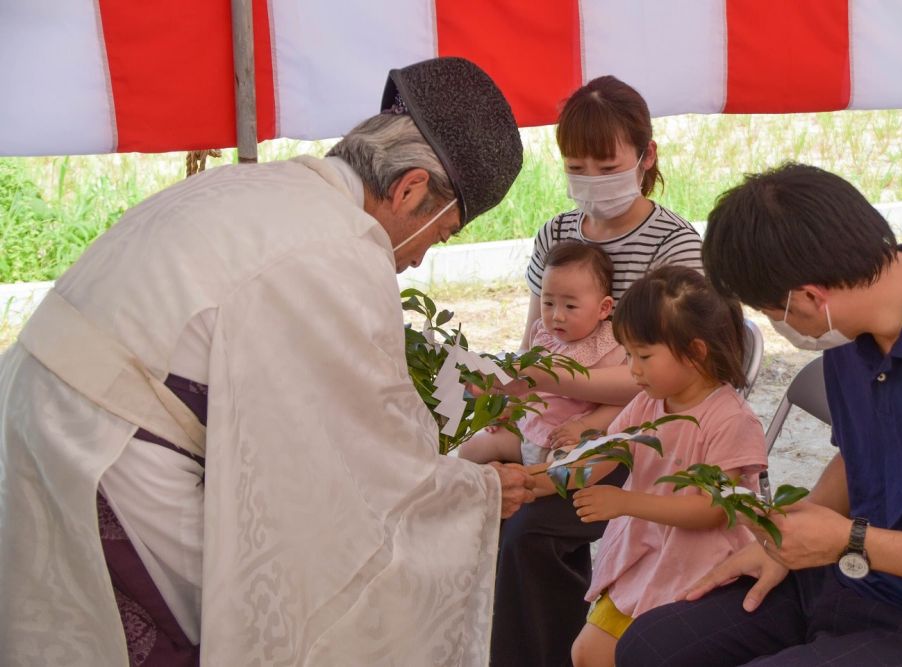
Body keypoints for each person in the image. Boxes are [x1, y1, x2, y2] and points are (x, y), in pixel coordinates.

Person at [0, 57, 535, 667]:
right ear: (411, 188)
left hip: (34, 400)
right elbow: (368, 464)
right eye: (437, 237)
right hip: (107, 447)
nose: (414, 263)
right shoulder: (342, 247)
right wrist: (475, 493)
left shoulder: (263, 186)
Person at [616, 163, 902, 666]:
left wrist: (852, 539)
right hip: (847, 573)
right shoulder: (847, 330)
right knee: (651, 648)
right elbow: (862, 454)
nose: (780, 327)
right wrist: (788, 542)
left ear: (812, 297)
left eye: (775, 314)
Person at [492, 75, 704, 667]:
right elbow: (532, 340)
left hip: (639, 442)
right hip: (553, 427)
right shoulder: (557, 234)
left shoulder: (673, 246)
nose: (590, 178)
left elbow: (679, 378)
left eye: (605, 164)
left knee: (528, 529)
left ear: (646, 156)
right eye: (575, 164)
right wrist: (514, 398)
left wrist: (561, 389)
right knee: (478, 496)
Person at [564, 265, 767, 667]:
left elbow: (714, 510)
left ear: (694, 352)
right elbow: (604, 455)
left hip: (700, 571)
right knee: (587, 654)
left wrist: (625, 503)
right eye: (627, 355)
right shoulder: (650, 401)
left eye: (643, 355)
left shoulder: (731, 420)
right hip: (647, 558)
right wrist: (538, 478)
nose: (632, 369)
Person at [459, 241, 625, 466]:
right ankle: (502, 474)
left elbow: (620, 401)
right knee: (471, 448)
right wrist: (509, 407)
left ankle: (530, 484)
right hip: (528, 431)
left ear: (603, 308)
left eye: (570, 306)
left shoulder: (607, 346)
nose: (557, 316)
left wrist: (586, 427)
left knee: (564, 465)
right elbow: (526, 384)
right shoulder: (542, 334)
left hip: (568, 436)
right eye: (548, 303)